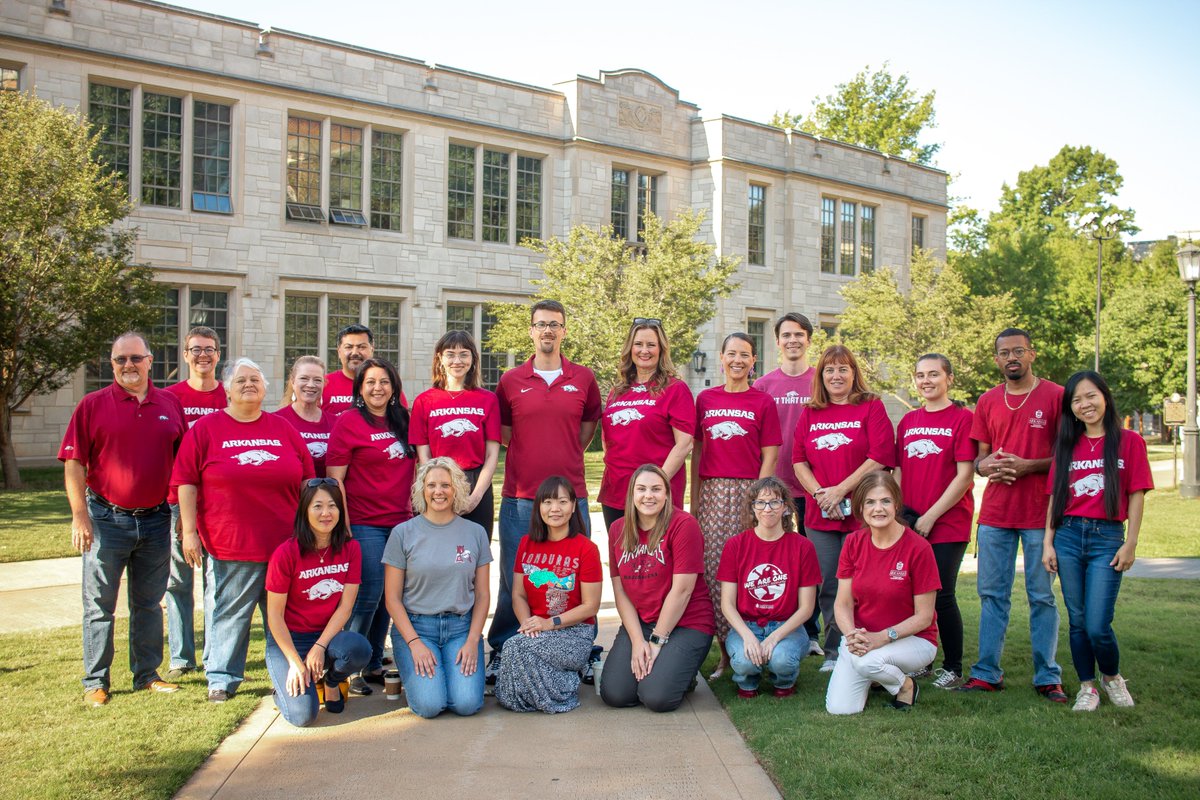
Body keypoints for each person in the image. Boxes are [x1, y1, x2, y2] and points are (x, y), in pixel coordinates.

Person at [173, 358, 315, 703]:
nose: (249, 385)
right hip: (231, 544)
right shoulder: (205, 430)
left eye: (255, 379)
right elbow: (185, 483)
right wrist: (189, 532)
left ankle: (281, 675)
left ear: (265, 388)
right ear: (227, 389)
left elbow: (308, 480)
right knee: (230, 613)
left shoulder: (283, 429)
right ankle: (221, 677)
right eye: (241, 380)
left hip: (284, 545)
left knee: (281, 617)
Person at [61, 332, 186, 706]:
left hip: (156, 519)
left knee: (148, 603)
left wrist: (181, 514)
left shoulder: (170, 404)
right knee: (99, 605)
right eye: (120, 360)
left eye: (135, 358)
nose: (128, 366)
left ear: (150, 361)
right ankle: (95, 682)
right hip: (105, 519)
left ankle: (147, 675)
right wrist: (80, 516)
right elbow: (74, 463)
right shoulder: (92, 405)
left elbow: (183, 468)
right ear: (111, 364)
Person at [487, 300, 601, 682]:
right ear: (531, 331)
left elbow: (587, 429)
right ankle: (505, 647)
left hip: (572, 495)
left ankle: (578, 650)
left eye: (555, 324)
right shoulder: (510, 380)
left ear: (564, 330)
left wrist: (562, 453)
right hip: (521, 495)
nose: (548, 331)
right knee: (513, 577)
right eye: (541, 325)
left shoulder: (583, 378)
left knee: (573, 576)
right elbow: (504, 434)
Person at [958, 328, 1065, 702]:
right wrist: (991, 467)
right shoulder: (987, 401)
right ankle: (987, 672)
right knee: (992, 595)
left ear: (1032, 354)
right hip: (996, 516)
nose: (1012, 358)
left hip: (1040, 515)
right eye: (1005, 353)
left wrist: (1028, 466)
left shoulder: (1056, 396)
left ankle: (1047, 676)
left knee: (1042, 597)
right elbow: (980, 459)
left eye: (1018, 351)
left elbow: (1067, 456)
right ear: (997, 359)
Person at [1043, 371, 1153, 711]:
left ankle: (1111, 677)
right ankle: (1087, 686)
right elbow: (1055, 497)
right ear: (1071, 408)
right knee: (1077, 620)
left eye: (1090, 396)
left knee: (1098, 623)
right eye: (1077, 400)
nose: (1085, 404)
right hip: (1069, 535)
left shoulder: (1129, 441)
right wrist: (1049, 543)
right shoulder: (1066, 445)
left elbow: (1136, 494)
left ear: (1105, 397)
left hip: (1107, 537)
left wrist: (1130, 542)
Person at [791, 344, 894, 673]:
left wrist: (840, 491)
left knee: (865, 582)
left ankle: (869, 642)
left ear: (854, 373)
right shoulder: (811, 412)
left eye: (843, 369)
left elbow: (880, 457)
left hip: (862, 513)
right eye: (830, 370)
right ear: (821, 375)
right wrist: (822, 494)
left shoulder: (871, 407)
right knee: (830, 583)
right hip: (820, 513)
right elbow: (798, 461)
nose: (836, 375)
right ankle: (836, 649)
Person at [690, 332, 781, 678]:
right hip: (713, 491)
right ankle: (725, 652)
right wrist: (695, 498)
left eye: (745, 355)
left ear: (753, 361)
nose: (738, 360)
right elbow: (697, 451)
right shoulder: (706, 400)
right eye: (732, 354)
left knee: (748, 568)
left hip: (749, 490)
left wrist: (760, 499)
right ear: (722, 357)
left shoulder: (762, 402)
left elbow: (770, 452)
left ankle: (755, 642)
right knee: (714, 571)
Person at [326, 357, 415, 695]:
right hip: (364, 523)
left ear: (394, 387)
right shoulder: (348, 422)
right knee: (368, 594)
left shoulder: (404, 421)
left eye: (384, 382)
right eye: (370, 382)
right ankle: (349, 664)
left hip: (402, 523)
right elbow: (336, 481)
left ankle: (375, 661)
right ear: (360, 388)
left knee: (390, 597)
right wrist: (345, 527)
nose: (378, 388)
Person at [382, 458, 491, 719]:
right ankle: (421, 678)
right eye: (431, 485)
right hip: (418, 628)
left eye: (445, 484)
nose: (438, 491)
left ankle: (443, 676)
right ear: (422, 489)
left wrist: (473, 639)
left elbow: (484, 594)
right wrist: (415, 643)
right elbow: (392, 599)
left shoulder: (475, 533)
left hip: (460, 629)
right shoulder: (403, 533)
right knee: (430, 706)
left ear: (456, 489)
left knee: (466, 704)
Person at [602, 465, 715, 713]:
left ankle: (681, 674)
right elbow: (620, 591)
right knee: (615, 694)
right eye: (641, 489)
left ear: (667, 494)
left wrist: (655, 642)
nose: (648, 496)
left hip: (687, 622)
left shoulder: (684, 525)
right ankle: (665, 668)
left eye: (656, 489)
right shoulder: (618, 529)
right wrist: (636, 640)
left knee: (656, 697)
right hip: (643, 621)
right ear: (632, 494)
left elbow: (683, 591)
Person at [825, 472, 940, 715]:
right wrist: (851, 635)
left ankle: (906, 685)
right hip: (863, 638)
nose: (878, 509)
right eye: (870, 502)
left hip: (912, 640)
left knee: (868, 661)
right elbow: (843, 603)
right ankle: (875, 677)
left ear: (896, 504)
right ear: (860, 507)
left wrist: (882, 637)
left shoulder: (919, 548)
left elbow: (924, 617)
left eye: (885, 501)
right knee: (840, 709)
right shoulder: (853, 542)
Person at [894, 354, 975, 689]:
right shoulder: (908, 421)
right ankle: (921, 660)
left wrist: (931, 516)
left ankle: (953, 668)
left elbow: (965, 475)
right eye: (919, 375)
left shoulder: (963, 419)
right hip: (910, 519)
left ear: (949, 378)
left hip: (947, 521)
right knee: (909, 595)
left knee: (940, 594)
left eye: (933, 374)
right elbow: (898, 471)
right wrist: (897, 513)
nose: (926, 381)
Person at [264, 478, 371, 726]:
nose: (326, 513)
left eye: (332, 506)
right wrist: (294, 662)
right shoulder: (285, 553)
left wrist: (320, 647)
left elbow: (345, 608)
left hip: (328, 636)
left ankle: (331, 681)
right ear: (305, 511)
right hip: (290, 639)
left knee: (359, 649)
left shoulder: (351, 549)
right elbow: (274, 617)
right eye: (318, 506)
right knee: (302, 716)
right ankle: (282, 690)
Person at [495, 476, 602, 713]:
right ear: (539, 507)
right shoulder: (526, 544)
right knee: (518, 648)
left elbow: (591, 606)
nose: (555, 509)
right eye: (548, 502)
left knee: (513, 650)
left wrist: (548, 624)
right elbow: (518, 596)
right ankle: (561, 681)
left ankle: (563, 690)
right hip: (537, 630)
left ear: (574, 506)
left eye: (563, 502)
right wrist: (527, 626)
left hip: (574, 633)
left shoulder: (586, 548)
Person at [752, 312, 822, 654]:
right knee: (778, 562)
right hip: (773, 490)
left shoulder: (820, 382)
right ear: (777, 341)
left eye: (799, 334)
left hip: (813, 487)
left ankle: (811, 633)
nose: (793, 340)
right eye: (786, 335)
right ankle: (779, 622)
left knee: (811, 562)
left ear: (808, 340)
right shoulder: (764, 385)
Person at [718, 477, 820, 698]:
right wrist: (747, 636)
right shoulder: (735, 546)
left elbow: (806, 608)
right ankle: (748, 680)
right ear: (752, 508)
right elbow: (726, 604)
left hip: (787, 626)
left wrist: (774, 637)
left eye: (774, 502)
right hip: (747, 624)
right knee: (745, 662)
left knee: (782, 660)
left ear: (785, 507)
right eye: (761, 503)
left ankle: (784, 680)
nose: (767, 509)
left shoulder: (803, 547)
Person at [163, 326, 226, 681]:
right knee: (178, 580)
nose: (203, 355)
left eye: (210, 349)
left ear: (218, 355)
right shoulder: (171, 397)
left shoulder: (229, 397)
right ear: (185, 355)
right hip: (177, 503)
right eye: (196, 349)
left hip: (219, 505)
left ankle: (214, 653)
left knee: (216, 583)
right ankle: (181, 656)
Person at [598, 318, 694, 529]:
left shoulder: (675, 389)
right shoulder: (617, 391)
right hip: (616, 493)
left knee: (656, 560)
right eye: (638, 344)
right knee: (622, 559)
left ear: (661, 350)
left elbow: (684, 444)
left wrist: (654, 486)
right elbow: (609, 439)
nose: (644, 350)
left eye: (651, 345)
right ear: (630, 348)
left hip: (654, 498)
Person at [409, 330, 501, 535]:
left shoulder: (488, 400)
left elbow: (492, 454)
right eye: (450, 354)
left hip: (476, 481)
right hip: (437, 481)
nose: (457, 360)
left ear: (473, 359)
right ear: (440, 359)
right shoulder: (425, 401)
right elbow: (424, 455)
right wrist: (436, 488)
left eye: (464, 354)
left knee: (475, 552)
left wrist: (475, 497)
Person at [322, 324, 408, 417]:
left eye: (361, 347)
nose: (355, 353)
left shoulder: (387, 387)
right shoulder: (323, 384)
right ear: (339, 351)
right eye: (349, 347)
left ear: (372, 349)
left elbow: (402, 421)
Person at [275, 355, 336, 477]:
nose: (311, 385)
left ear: (324, 384)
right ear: (293, 382)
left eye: (317, 380)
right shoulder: (276, 422)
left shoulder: (336, 423)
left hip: (329, 494)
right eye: (304, 378)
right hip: (293, 495)